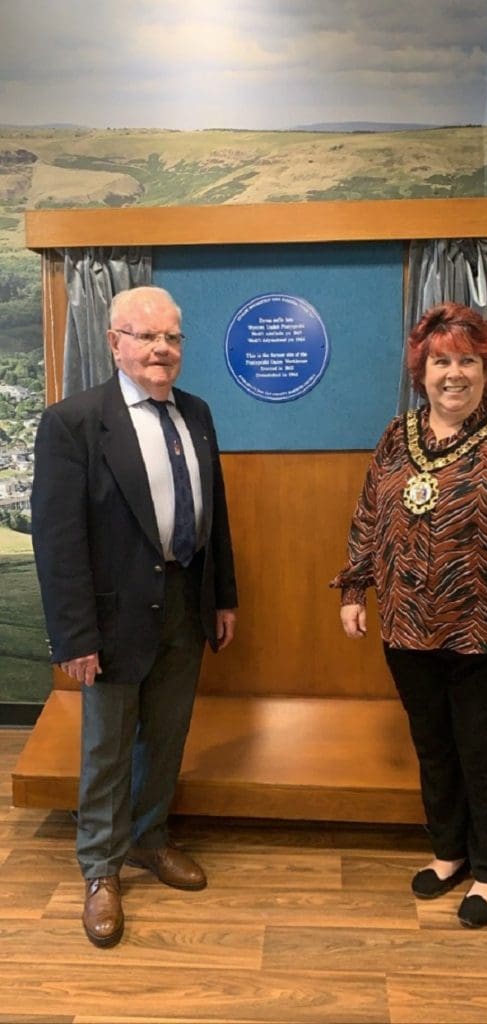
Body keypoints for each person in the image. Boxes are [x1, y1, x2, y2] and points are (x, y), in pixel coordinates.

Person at [331, 301, 487, 928]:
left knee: (485, 755)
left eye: (468, 360)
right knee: (435, 747)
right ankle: (450, 852)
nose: (454, 374)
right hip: (408, 628)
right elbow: (369, 515)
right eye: (441, 362)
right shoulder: (398, 436)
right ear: (423, 371)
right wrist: (354, 588)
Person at [31, 285, 238, 948]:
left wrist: (223, 597)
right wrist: (74, 635)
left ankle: (150, 838)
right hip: (112, 616)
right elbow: (58, 540)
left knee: (167, 735)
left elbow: (214, 514)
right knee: (107, 745)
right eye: (147, 336)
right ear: (114, 342)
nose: (162, 349)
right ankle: (101, 868)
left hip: (186, 604)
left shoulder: (197, 413)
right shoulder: (73, 422)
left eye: (172, 337)